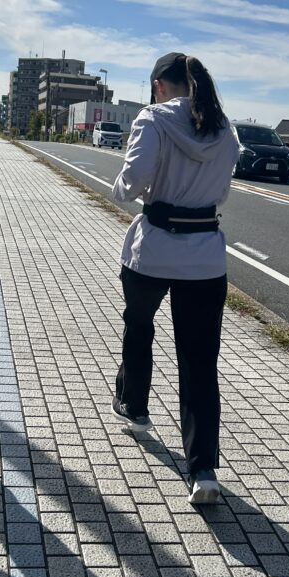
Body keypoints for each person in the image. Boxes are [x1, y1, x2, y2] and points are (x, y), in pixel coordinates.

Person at [111, 52, 239, 505]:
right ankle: (203, 470)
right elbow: (222, 192)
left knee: (139, 326)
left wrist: (124, 189)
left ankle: (135, 406)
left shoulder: (153, 119)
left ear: (159, 86)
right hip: (205, 256)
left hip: (154, 250)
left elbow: (132, 182)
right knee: (200, 360)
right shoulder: (224, 128)